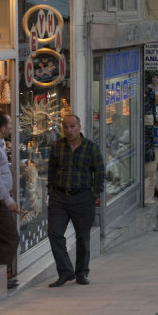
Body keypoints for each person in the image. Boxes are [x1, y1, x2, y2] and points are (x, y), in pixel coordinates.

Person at [47, 115, 104, 287]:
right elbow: (51, 171)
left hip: (83, 197)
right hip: (60, 197)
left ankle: (81, 273)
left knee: (82, 237)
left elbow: (100, 173)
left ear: (79, 127)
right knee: (54, 233)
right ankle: (65, 272)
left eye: (72, 126)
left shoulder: (91, 148)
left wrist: (93, 194)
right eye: (65, 126)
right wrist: (51, 191)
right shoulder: (57, 146)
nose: (69, 130)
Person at [0, 111, 19, 290]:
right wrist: (8, 201)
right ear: (2, 128)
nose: (10, 127)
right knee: (10, 238)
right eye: (9, 124)